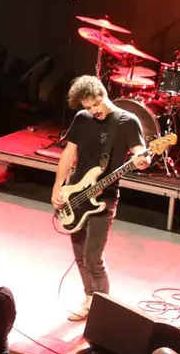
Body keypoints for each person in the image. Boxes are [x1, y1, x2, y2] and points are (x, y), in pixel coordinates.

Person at [51, 76, 150, 321]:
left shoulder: (127, 122)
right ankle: (89, 299)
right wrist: (58, 187)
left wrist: (142, 160)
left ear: (104, 94)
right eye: (88, 107)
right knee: (79, 256)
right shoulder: (82, 119)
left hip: (104, 199)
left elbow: (140, 152)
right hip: (76, 195)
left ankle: (103, 310)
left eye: (96, 104)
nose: (93, 110)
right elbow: (69, 154)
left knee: (93, 258)